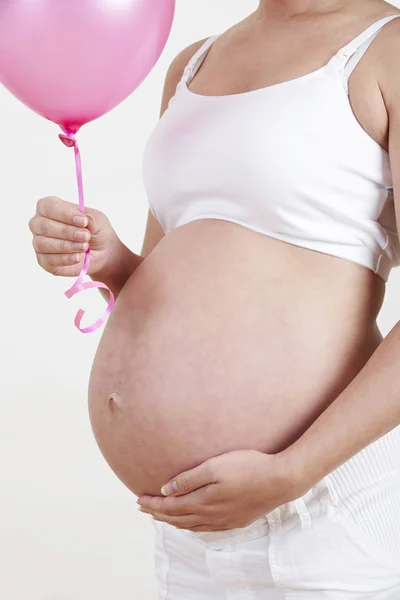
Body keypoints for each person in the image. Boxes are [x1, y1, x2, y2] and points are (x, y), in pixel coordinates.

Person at [28, 0, 400, 597]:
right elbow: (164, 276)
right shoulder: (193, 64)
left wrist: (291, 472)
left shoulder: (386, 51)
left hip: (318, 509)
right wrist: (108, 258)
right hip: (189, 533)